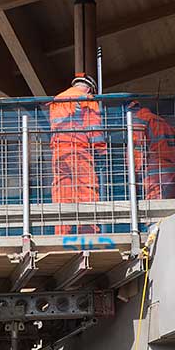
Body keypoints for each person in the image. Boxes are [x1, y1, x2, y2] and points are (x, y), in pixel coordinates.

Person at [49, 73, 106, 234]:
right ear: (89, 88)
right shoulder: (86, 98)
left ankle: (61, 233)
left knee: (62, 193)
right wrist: (102, 150)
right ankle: (88, 232)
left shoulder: (57, 99)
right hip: (78, 150)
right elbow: (93, 128)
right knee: (86, 189)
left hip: (59, 152)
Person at [127, 101, 175, 199]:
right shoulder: (159, 120)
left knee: (155, 201)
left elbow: (137, 148)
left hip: (156, 169)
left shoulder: (138, 121)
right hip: (174, 167)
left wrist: (134, 174)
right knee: (170, 203)